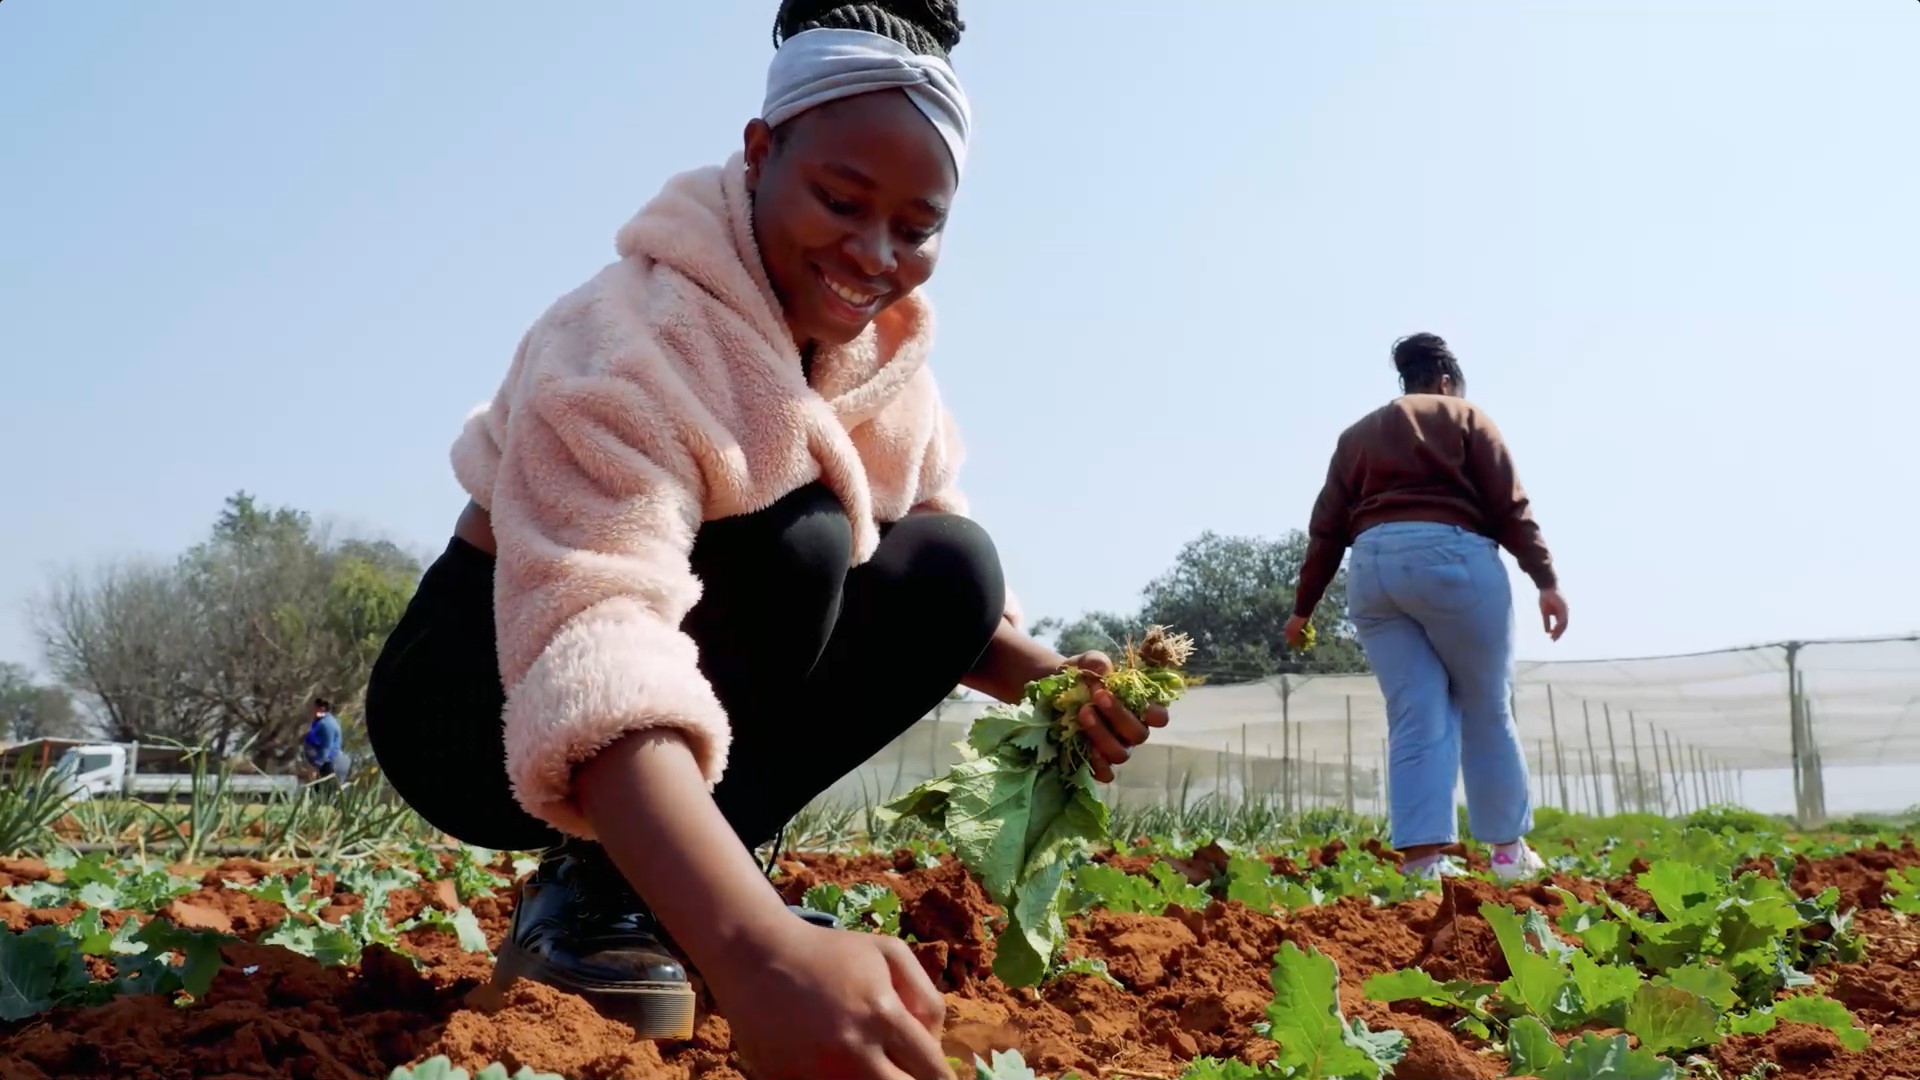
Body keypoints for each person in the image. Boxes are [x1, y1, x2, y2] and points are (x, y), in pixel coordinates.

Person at [363, 3, 1168, 1077]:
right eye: (840, 201)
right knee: (801, 542)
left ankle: (658, 885)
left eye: (916, 228)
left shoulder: (884, 362)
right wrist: (756, 953)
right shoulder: (623, 344)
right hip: (482, 696)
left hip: (637, 683)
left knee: (952, 566)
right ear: (759, 153)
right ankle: (610, 897)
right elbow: (592, 643)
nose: (873, 255)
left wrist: (1056, 686)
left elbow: (932, 595)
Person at [1283, 333, 1568, 884]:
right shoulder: (1466, 417)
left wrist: (1303, 609)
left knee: (1416, 712)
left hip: (1372, 572)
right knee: (1486, 703)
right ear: (1444, 381)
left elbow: (1326, 529)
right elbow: (1510, 505)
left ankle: (1422, 862)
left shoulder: (1356, 436)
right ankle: (1507, 854)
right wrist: (1546, 580)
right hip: (1451, 560)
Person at [302, 697, 352, 785]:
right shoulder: (321, 720)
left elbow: (326, 747)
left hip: (331, 764)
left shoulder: (327, 724)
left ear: (321, 709)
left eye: (315, 708)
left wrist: (317, 765)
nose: (313, 711)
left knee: (323, 790)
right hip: (327, 763)